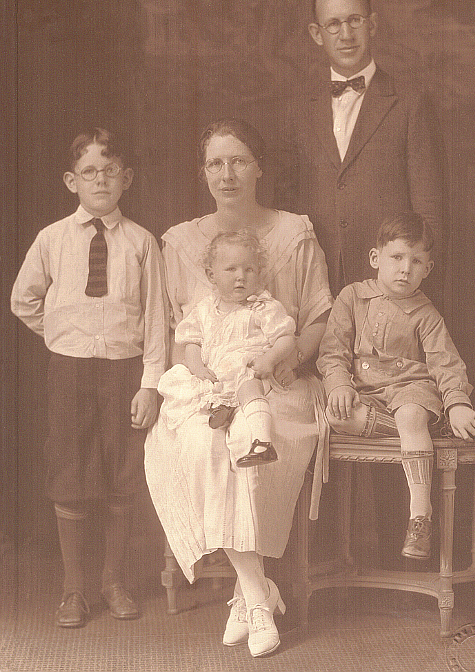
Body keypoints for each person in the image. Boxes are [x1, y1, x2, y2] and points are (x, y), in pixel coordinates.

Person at [145, 118, 332, 657]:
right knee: (205, 444)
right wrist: (198, 375)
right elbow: (172, 331)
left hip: (278, 382)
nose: (228, 174)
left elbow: (317, 317)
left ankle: (246, 597)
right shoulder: (180, 242)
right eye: (216, 163)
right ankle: (256, 593)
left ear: (259, 166)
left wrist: (283, 360)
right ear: (203, 172)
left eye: (240, 161)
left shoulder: (295, 232)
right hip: (208, 388)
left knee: (253, 448)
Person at [11, 128, 168, 628]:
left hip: (125, 372)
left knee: (124, 473)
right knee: (70, 474)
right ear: (70, 181)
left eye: (110, 170)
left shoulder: (143, 242)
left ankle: (114, 581)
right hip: (70, 370)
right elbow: (24, 301)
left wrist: (149, 382)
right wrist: (64, 334)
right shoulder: (51, 239)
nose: (100, 179)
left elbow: (157, 319)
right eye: (89, 172)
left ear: (127, 179)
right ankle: (74, 590)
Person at [317, 212, 475, 559]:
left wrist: (456, 404)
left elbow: (445, 363)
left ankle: (420, 516)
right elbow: (332, 351)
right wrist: (338, 385)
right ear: (375, 258)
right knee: (337, 417)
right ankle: (420, 436)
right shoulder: (352, 297)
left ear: (428, 268)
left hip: (412, 390)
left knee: (410, 415)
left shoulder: (426, 313)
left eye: (416, 261)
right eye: (396, 257)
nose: (405, 269)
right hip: (367, 395)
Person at [276, 0, 448, 305]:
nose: (346, 34)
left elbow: (430, 212)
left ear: (373, 25)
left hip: (391, 285)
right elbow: (286, 209)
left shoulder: (411, 103)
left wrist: (418, 292)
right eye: (333, 24)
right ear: (316, 33)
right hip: (317, 283)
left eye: (355, 20)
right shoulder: (297, 109)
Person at [158, 229, 297, 468]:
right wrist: (197, 366)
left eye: (249, 269)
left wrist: (270, 359)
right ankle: (221, 409)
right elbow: (191, 341)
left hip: (251, 370)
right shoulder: (204, 309)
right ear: (212, 275)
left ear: (259, 273)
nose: (241, 276)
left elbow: (286, 338)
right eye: (231, 269)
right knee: (191, 387)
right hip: (216, 374)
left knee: (248, 385)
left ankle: (262, 442)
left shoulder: (263, 306)